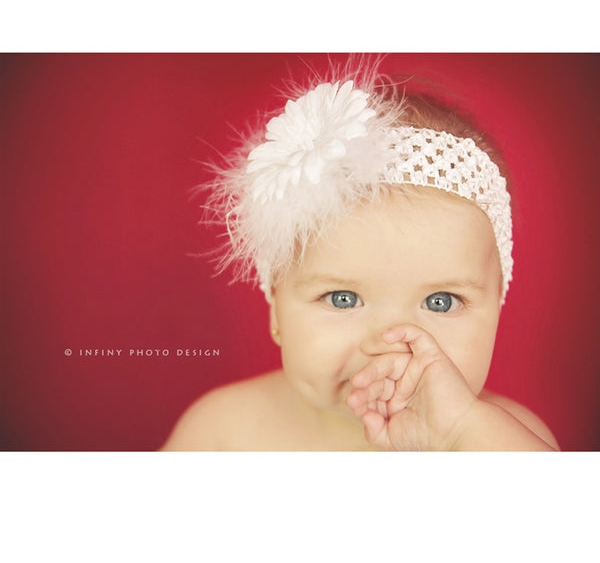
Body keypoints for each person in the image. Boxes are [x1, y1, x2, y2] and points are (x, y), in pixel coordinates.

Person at [161, 60, 559, 451]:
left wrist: (461, 432)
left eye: (441, 302)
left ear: (498, 304)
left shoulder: (502, 442)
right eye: (343, 298)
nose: (391, 342)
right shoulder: (224, 432)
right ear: (276, 309)